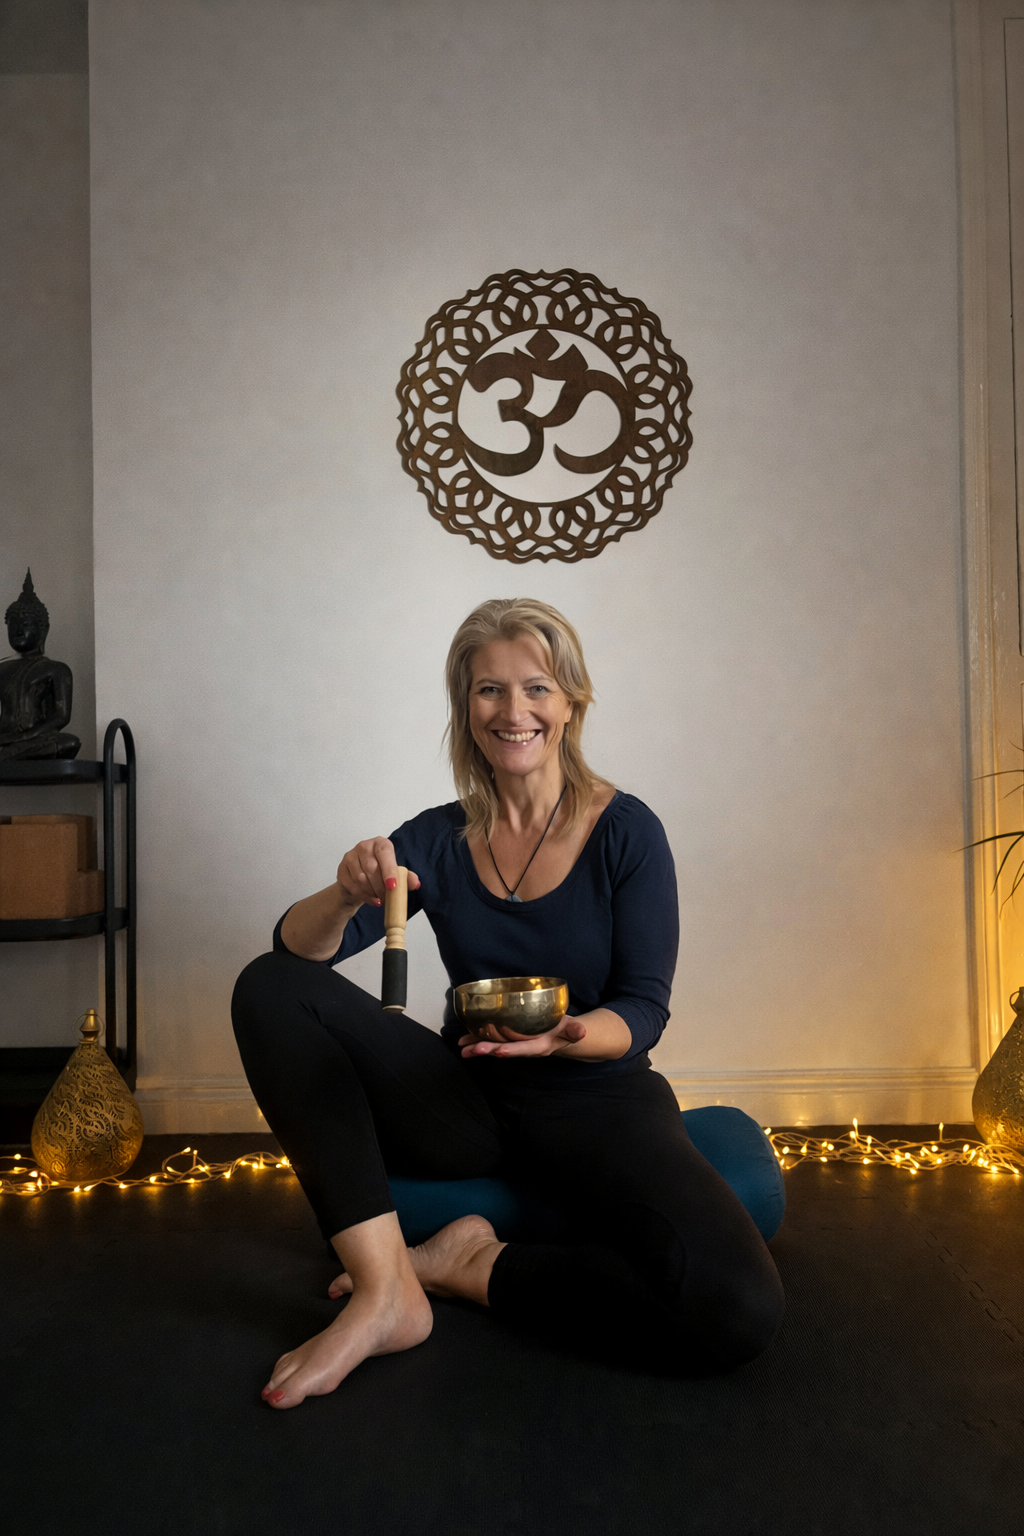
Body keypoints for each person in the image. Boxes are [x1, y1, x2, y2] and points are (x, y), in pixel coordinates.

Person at [232, 598, 783, 1409]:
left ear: (571, 702)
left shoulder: (626, 832)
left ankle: (470, 1266)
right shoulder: (438, 836)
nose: (513, 711)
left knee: (740, 1308)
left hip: (598, 1098)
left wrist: (564, 1038)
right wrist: (348, 892)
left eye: (536, 688)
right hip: (465, 1097)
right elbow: (299, 955)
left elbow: (644, 1009)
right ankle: (388, 1295)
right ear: (466, 708)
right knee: (267, 986)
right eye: (489, 691)